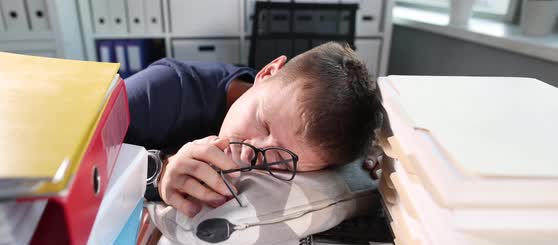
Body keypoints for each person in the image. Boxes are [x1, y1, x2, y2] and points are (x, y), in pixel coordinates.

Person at [124, 42, 380, 217]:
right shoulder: (163, 89)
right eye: (263, 122)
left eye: (281, 159)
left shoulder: (318, 152)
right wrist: (158, 172)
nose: (251, 153)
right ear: (267, 73)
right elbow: (84, 155)